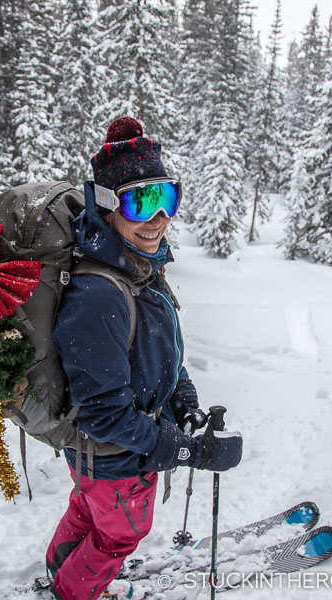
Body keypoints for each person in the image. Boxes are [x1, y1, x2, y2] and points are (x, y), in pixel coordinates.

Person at [45, 117, 243, 600]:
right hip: (115, 457)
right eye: (140, 202)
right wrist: (186, 450)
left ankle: (61, 570)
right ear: (109, 206)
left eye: (166, 200)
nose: (158, 219)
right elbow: (105, 415)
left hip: (102, 459)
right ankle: (75, 593)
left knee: (89, 510)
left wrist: (186, 400)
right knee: (119, 535)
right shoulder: (99, 294)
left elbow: (157, 351)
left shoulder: (138, 268)